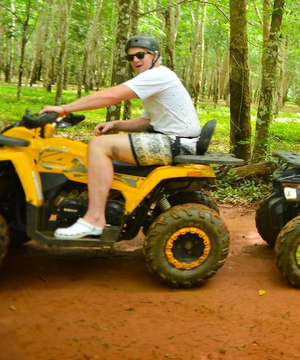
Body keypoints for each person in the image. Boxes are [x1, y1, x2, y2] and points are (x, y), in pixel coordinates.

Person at [40, 35, 201, 239]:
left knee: (98, 146)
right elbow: (146, 121)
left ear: (155, 55)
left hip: (175, 142)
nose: (135, 60)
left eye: (140, 55)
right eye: (130, 57)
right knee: (94, 148)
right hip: (173, 139)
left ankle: (94, 219)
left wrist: (63, 109)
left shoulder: (157, 75)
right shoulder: (158, 78)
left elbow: (112, 95)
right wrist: (116, 124)